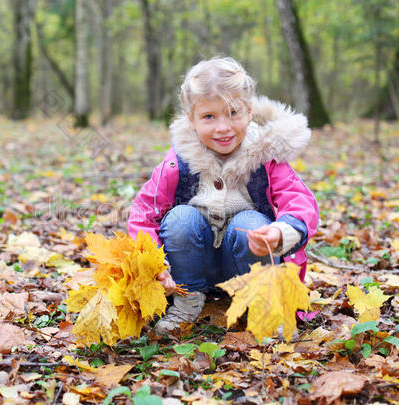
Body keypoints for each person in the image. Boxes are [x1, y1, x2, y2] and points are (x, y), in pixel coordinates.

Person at [127, 57, 319, 334]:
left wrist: (281, 231)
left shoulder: (266, 157)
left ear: (249, 111)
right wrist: (155, 264)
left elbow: (299, 200)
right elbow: (144, 213)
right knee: (181, 218)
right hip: (192, 266)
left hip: (245, 261)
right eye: (209, 117)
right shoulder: (178, 163)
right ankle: (187, 300)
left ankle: (264, 305)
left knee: (252, 223)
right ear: (191, 120)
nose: (223, 127)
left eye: (233, 113)